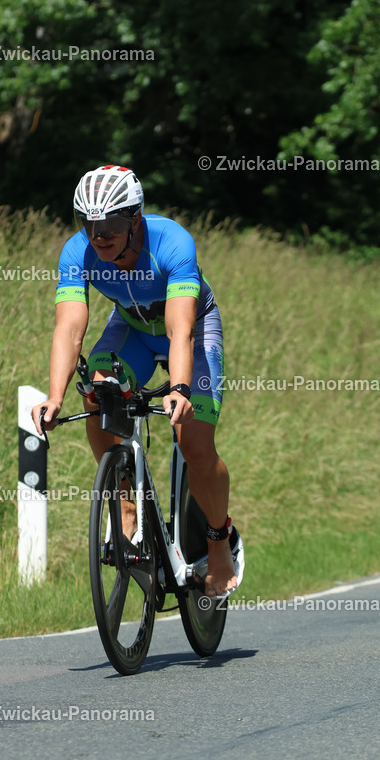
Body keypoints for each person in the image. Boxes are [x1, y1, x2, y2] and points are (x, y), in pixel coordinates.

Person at [31, 164, 237, 597]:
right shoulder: (77, 252)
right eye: (88, 223)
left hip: (193, 332)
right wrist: (54, 396)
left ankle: (219, 543)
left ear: (135, 219)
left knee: (193, 441)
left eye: (109, 224)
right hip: (133, 333)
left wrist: (180, 387)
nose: (98, 235)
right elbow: (68, 330)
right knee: (96, 391)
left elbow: (180, 328)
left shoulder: (172, 242)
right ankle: (125, 501)